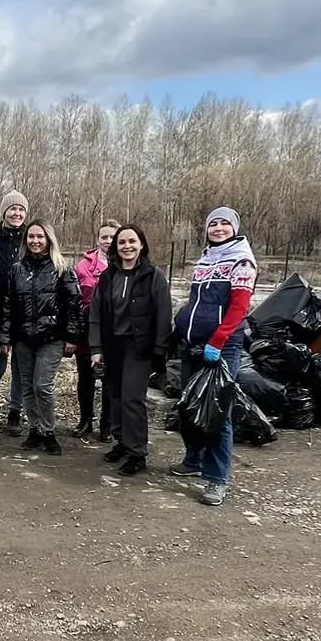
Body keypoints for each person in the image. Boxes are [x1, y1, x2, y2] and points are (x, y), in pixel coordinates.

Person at [171, 206, 257, 505]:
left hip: (222, 347)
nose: (218, 228)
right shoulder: (206, 257)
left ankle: (217, 479)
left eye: (224, 224)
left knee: (217, 412)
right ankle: (193, 459)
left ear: (235, 227)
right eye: (213, 224)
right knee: (191, 405)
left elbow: (239, 307)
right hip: (193, 344)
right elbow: (197, 302)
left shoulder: (242, 260)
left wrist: (218, 341)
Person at [89, 225, 172, 477]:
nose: (127, 246)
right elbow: (95, 314)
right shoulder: (108, 277)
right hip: (112, 346)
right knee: (114, 397)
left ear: (141, 244)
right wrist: (95, 348)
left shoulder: (153, 276)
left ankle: (137, 453)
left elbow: (163, 314)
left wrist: (160, 349)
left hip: (139, 348)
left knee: (131, 399)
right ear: (116, 247)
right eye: (122, 242)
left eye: (132, 241)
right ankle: (121, 442)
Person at [5, 222, 83, 455]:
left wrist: (72, 336)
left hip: (52, 337)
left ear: (48, 239)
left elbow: (73, 305)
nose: (35, 241)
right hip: (23, 338)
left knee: (42, 386)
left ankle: (49, 431)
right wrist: (5, 337)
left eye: (40, 236)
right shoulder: (17, 269)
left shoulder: (62, 268)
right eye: (31, 236)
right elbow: (8, 305)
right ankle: (35, 429)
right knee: (28, 387)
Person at [0, 189, 31, 431]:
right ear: (4, 212)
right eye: (13, 208)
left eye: (21, 209)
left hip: (23, 311)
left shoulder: (31, 238)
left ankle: (15, 411)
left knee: (20, 368)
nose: (17, 213)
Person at [72, 220, 117, 439]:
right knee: (86, 377)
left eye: (112, 237)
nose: (108, 241)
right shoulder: (82, 266)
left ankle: (107, 424)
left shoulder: (127, 264)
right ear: (97, 240)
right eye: (104, 237)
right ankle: (85, 420)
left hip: (115, 330)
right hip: (86, 328)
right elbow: (74, 298)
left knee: (110, 378)